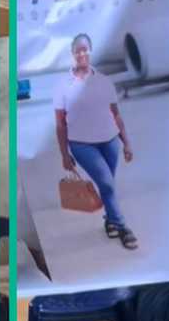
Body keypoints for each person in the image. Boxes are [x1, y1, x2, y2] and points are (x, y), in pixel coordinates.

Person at [54, 33, 138, 250]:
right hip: (82, 145)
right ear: (72, 53)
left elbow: (116, 115)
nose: (82, 53)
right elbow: (61, 124)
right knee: (107, 184)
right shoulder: (63, 85)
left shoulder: (103, 81)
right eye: (78, 50)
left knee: (106, 185)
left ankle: (109, 220)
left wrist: (126, 143)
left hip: (110, 141)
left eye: (85, 49)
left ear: (90, 51)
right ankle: (122, 227)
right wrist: (65, 154)